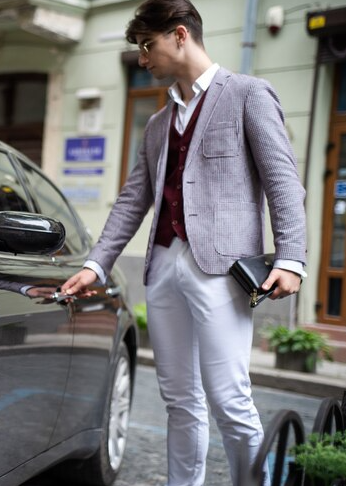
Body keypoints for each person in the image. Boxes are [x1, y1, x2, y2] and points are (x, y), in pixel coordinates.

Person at [61, 0, 307, 484]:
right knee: (180, 400)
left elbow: (283, 182)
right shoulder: (157, 125)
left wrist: (292, 257)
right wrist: (96, 264)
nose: (143, 59)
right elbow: (133, 200)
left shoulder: (247, 95)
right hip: (163, 267)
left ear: (179, 35)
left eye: (147, 46)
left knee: (229, 398)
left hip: (222, 270)